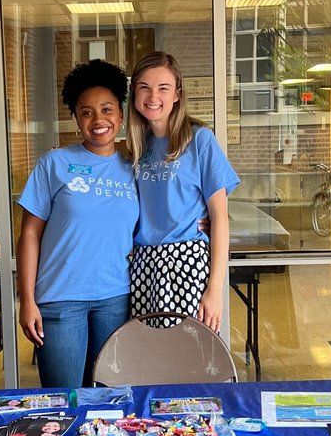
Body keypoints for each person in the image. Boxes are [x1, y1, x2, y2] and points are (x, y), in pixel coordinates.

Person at [17, 59, 138, 388]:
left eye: (107, 109)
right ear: (76, 120)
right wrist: (26, 299)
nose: (98, 120)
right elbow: (29, 234)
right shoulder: (55, 163)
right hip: (60, 299)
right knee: (65, 398)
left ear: (120, 115)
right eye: (86, 112)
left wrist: (201, 222)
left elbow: (161, 216)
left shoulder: (134, 167)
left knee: (106, 398)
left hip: (115, 298)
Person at [126, 51, 240, 331]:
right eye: (144, 87)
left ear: (177, 94)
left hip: (187, 262)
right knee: (149, 352)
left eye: (163, 88)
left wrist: (215, 289)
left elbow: (220, 217)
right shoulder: (137, 147)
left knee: (188, 349)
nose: (153, 96)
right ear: (134, 93)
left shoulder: (200, 140)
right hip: (143, 265)